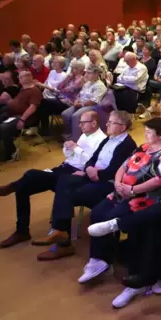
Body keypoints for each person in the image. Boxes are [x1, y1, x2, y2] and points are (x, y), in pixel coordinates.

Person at [76, 117, 161, 303]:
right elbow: (124, 165)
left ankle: (132, 277)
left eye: (149, 132)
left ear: (160, 134)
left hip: (143, 199)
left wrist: (132, 189)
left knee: (112, 218)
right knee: (98, 213)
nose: (145, 134)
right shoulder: (143, 147)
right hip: (121, 191)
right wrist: (119, 182)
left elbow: (160, 180)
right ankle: (99, 260)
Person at [0, 111, 106, 248]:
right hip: (65, 168)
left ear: (94, 123)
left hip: (77, 174)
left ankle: (13, 186)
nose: (80, 125)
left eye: (83, 122)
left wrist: (76, 149)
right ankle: (22, 230)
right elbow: (72, 157)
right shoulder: (84, 135)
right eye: (80, 122)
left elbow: (94, 164)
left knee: (32, 174)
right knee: (24, 186)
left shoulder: (101, 140)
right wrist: (69, 149)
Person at [33, 111, 137, 260]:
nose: (107, 124)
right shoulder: (108, 139)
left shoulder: (127, 145)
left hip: (107, 184)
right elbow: (92, 159)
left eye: (111, 122)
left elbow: (115, 170)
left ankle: (63, 241)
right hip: (92, 176)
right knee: (64, 180)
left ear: (122, 127)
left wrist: (94, 173)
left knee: (69, 193)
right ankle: (60, 231)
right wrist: (88, 169)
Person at [0, 70, 43, 161]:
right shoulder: (22, 89)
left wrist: (22, 119)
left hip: (23, 117)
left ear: (29, 77)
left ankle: (11, 151)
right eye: (19, 77)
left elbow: (32, 107)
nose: (19, 78)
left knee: (4, 127)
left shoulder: (34, 91)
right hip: (11, 113)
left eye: (22, 77)